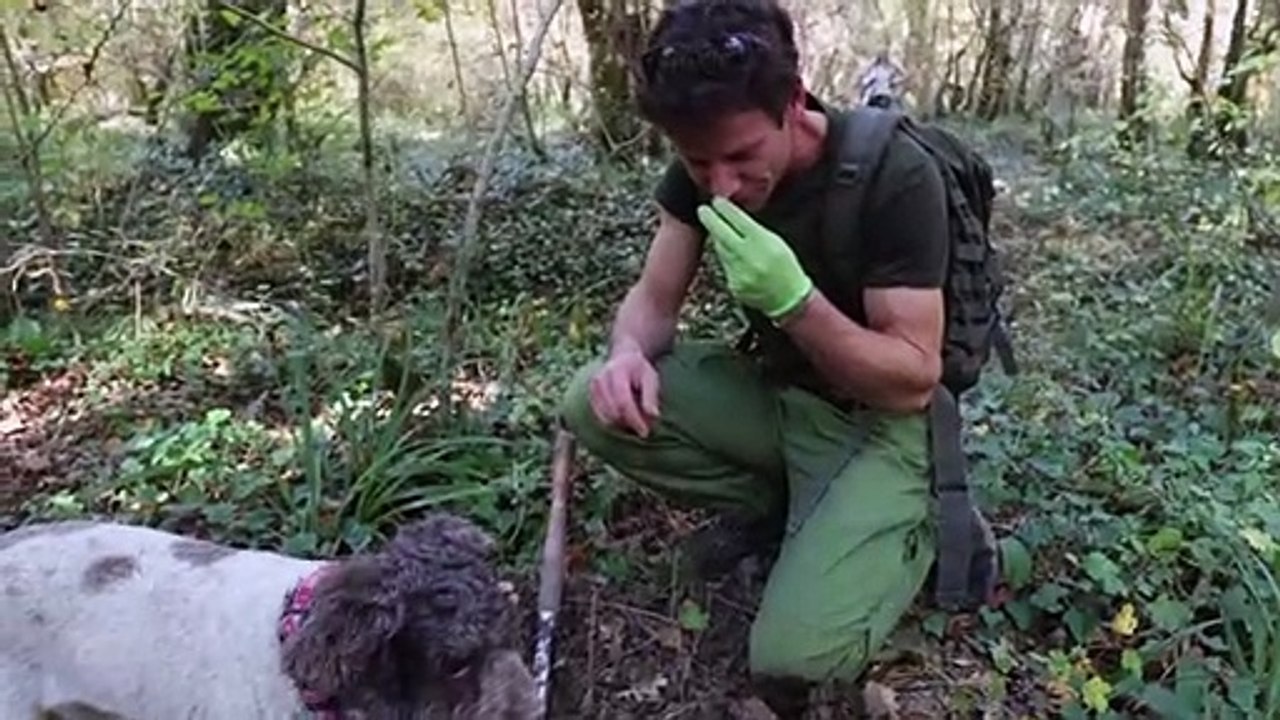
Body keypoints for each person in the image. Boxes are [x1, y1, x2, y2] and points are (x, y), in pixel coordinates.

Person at [559, 0, 951, 712]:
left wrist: (797, 303)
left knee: (792, 656)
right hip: (783, 399)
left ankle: (907, 522)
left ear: (794, 103)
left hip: (882, 426)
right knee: (592, 400)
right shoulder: (706, 167)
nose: (722, 186)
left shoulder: (896, 176)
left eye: (742, 158)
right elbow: (653, 300)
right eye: (697, 161)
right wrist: (625, 355)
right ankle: (793, 508)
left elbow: (914, 380)